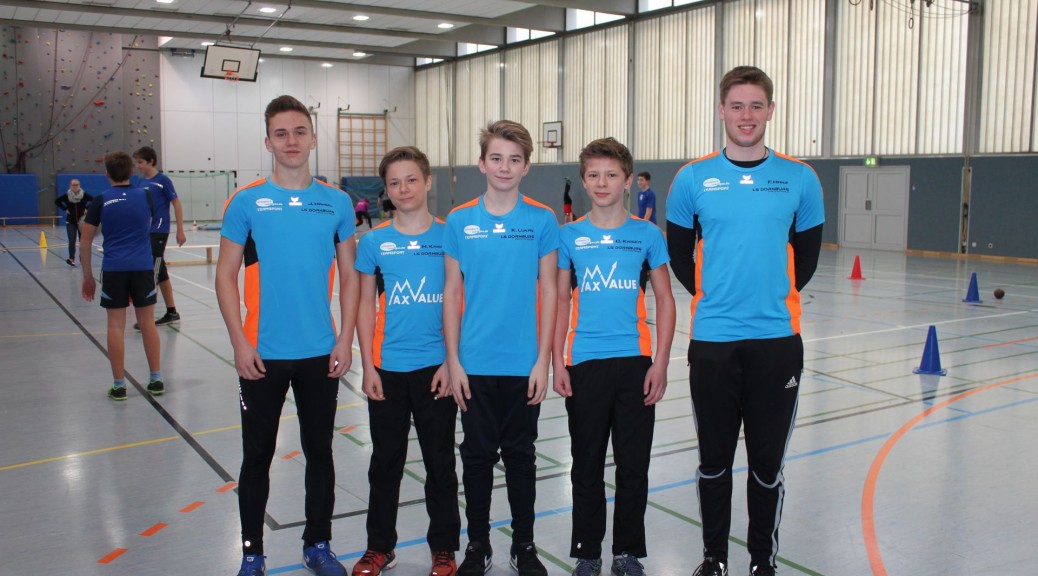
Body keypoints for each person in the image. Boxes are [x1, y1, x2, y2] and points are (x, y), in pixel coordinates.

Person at [666, 66, 824, 576]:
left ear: (771, 110)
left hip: (777, 342)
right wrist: (714, 296)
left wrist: (770, 297)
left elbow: (808, 256)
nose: (747, 115)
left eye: (756, 105)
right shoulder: (692, 179)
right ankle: (714, 558)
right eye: (737, 105)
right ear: (721, 110)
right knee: (713, 462)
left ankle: (761, 562)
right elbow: (679, 253)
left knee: (766, 465)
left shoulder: (800, 178)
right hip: (713, 342)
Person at [215, 95, 359, 576]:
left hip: (321, 353)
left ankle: (318, 544)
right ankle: (252, 553)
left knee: (320, 452)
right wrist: (239, 343)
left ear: (313, 138)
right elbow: (225, 275)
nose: (291, 141)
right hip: (261, 354)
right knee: (256, 456)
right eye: (281, 133)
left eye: (299, 131)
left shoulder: (337, 202)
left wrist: (345, 340)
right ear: (268, 142)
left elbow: (351, 276)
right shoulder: (246, 202)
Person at [554, 138, 675, 576]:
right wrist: (557, 362)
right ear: (584, 180)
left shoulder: (647, 235)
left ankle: (627, 552)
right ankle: (588, 551)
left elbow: (665, 299)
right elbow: (561, 301)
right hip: (585, 363)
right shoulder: (569, 236)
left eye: (611, 175)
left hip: (635, 363)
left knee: (633, 465)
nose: (601, 182)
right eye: (593, 175)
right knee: (586, 465)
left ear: (627, 180)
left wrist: (660, 362)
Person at [443, 120, 558, 576]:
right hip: (473, 364)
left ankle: (524, 545)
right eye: (496, 158)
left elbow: (550, 291)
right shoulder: (459, 220)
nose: (504, 167)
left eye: (514, 160)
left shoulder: (542, 220)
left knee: (521, 458)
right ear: (482, 163)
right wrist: (453, 360)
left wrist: (543, 360)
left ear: (526, 166)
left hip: (523, 364)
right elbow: (452, 292)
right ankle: (477, 545)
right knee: (475, 458)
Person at [353, 146, 460, 576]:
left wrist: (452, 361)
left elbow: (463, 301)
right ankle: (379, 547)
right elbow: (365, 305)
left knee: (440, 463)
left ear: (427, 181)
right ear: (386, 190)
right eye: (394, 182)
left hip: (437, 370)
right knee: (385, 464)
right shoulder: (373, 242)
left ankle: (444, 548)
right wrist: (368, 366)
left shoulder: (451, 236)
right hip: (388, 370)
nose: (404, 189)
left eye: (411, 179)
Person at [79, 152, 163, 400]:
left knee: (116, 325)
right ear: (131, 172)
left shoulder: (100, 200)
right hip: (142, 267)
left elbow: (85, 241)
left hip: (114, 268)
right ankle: (156, 380)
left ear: (107, 174)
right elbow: (147, 223)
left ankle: (119, 385)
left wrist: (87, 276)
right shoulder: (146, 195)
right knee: (147, 323)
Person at [133, 146, 186, 327]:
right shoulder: (140, 182)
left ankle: (146, 318)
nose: (138, 166)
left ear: (151, 161)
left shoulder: (163, 181)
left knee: (152, 272)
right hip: (145, 231)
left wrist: (180, 230)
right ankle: (172, 312)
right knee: (160, 271)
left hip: (159, 230)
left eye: (140, 162)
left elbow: (176, 203)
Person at [54, 179, 94, 266]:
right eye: (74, 185)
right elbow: (57, 201)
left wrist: (87, 208)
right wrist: (65, 208)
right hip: (71, 222)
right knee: (72, 240)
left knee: (83, 241)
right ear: (70, 186)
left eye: (77, 185)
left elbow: (94, 200)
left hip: (82, 222)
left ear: (79, 185)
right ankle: (71, 258)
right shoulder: (67, 195)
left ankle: (82, 257)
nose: (75, 186)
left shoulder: (84, 195)